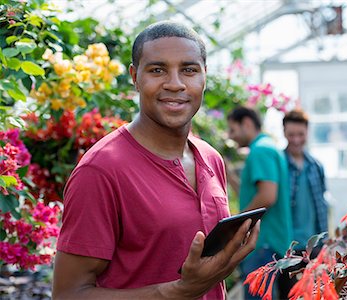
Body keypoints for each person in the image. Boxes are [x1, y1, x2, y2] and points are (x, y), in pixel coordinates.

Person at [52, 21, 260, 300]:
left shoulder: (210, 158)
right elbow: (68, 294)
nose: (175, 84)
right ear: (134, 77)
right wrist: (177, 292)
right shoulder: (101, 170)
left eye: (189, 70)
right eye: (157, 70)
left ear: (204, 76)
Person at [226, 106, 292, 300]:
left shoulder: (260, 150)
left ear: (246, 124)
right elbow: (256, 194)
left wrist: (235, 224)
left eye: (233, 130)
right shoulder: (267, 147)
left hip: (263, 243)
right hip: (269, 243)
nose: (231, 136)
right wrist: (229, 176)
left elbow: (267, 197)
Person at [280, 108, 329, 296]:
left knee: (317, 294)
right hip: (288, 247)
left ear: (307, 132)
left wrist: (325, 243)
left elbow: (322, 207)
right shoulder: (279, 163)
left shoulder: (316, 166)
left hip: (314, 246)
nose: (296, 139)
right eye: (291, 134)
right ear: (284, 133)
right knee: (289, 295)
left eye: (300, 134)